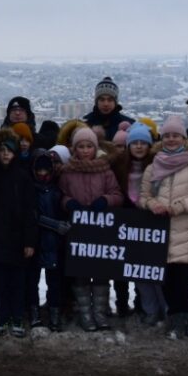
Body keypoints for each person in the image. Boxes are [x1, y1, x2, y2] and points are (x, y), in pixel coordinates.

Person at [138, 115, 188, 339]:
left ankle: (187, 319)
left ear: (183, 138)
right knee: (167, 282)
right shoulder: (153, 168)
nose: (171, 139)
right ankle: (174, 320)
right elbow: (143, 197)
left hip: (187, 232)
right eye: (167, 136)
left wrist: (181, 206)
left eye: (176, 135)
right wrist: (152, 204)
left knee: (184, 283)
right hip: (160, 233)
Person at [0, 130, 38, 337]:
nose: (5, 155)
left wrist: (30, 241)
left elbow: (30, 212)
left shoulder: (23, 178)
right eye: (1, 150)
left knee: (17, 283)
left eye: (9, 151)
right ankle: (2, 317)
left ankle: (17, 317)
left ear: (16, 153)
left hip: (17, 240)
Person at [61, 126, 124, 331]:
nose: (85, 150)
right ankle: (85, 314)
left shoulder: (105, 170)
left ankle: (99, 312)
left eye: (89, 146)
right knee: (80, 274)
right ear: (74, 148)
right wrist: (68, 202)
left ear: (95, 148)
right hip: (78, 231)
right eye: (81, 146)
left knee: (100, 273)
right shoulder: (68, 172)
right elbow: (60, 195)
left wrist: (105, 200)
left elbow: (117, 194)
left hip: (101, 230)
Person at [114, 122, 163, 325]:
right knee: (138, 271)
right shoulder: (119, 168)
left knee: (157, 271)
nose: (140, 146)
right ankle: (149, 309)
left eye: (144, 142)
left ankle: (166, 309)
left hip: (155, 225)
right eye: (135, 143)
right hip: (129, 226)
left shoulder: (158, 167)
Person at [28, 149, 69, 332]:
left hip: (54, 242)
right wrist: (56, 225)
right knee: (32, 280)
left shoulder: (57, 190)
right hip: (35, 241)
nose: (42, 174)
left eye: (46, 170)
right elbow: (31, 215)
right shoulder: (29, 189)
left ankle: (54, 315)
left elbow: (64, 210)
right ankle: (34, 313)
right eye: (39, 170)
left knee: (55, 282)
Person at [82, 76, 133, 142]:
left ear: (115, 102)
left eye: (110, 100)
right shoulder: (86, 125)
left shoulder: (129, 125)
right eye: (102, 100)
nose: (106, 104)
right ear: (96, 102)